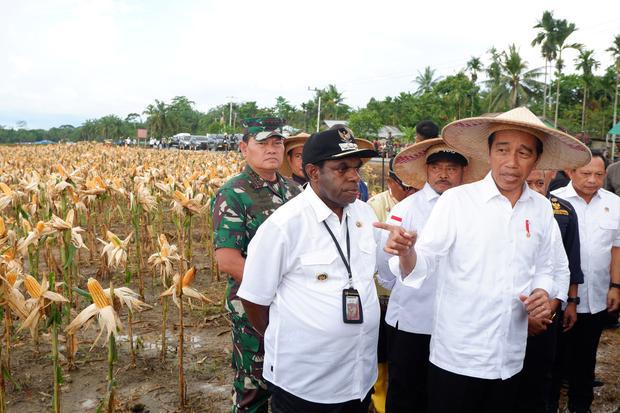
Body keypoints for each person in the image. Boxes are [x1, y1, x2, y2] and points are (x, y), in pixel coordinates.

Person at [375, 107, 591, 413]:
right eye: (502, 150)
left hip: (511, 358)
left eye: (524, 153)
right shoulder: (457, 202)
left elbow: (553, 267)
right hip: (457, 358)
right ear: (489, 152)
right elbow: (424, 263)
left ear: (537, 160)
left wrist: (546, 295)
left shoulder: (541, 209)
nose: (512, 162)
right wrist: (407, 252)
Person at [237, 126, 380, 413]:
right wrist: (291, 337)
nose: (354, 176)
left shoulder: (365, 214)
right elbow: (254, 299)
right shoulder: (284, 225)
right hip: (306, 384)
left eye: (356, 168)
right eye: (342, 168)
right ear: (314, 172)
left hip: (359, 377)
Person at [378, 137, 488, 413]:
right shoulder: (407, 209)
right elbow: (385, 268)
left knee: (446, 396)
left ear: (463, 172)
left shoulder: (476, 210)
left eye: (451, 168)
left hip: (457, 326)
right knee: (406, 394)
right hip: (413, 323)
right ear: (426, 170)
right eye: (437, 167)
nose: (443, 174)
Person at [212, 130, 302, 413]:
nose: (271, 149)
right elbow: (228, 260)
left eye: (277, 143)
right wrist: (275, 290)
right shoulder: (234, 193)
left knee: (290, 381)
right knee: (255, 385)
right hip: (253, 306)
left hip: (294, 305)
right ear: (244, 148)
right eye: (262, 143)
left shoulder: (294, 191)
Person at [550, 151, 620, 413]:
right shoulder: (553, 202)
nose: (592, 180)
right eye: (586, 173)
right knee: (554, 361)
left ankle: (582, 406)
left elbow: (617, 247)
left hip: (597, 297)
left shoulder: (614, 203)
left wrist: (616, 286)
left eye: (599, 175)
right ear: (570, 172)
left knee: (586, 359)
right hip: (558, 298)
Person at [519, 169, 584, 413]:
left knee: (541, 378)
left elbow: (564, 266)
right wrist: (524, 317)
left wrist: (550, 310)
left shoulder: (558, 211)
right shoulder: (500, 213)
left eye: (540, 183)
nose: (535, 189)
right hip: (510, 318)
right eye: (529, 183)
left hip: (546, 316)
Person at [366, 157, 417, 413]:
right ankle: (378, 402)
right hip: (380, 296)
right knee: (380, 357)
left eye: (414, 186)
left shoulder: (424, 206)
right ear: (391, 183)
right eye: (405, 186)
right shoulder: (374, 207)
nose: (410, 191)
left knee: (399, 361)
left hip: (408, 301)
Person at [367, 157, 417, 223]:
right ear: (390, 182)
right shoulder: (375, 206)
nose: (413, 191)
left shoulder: (423, 203)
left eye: (416, 186)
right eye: (407, 187)